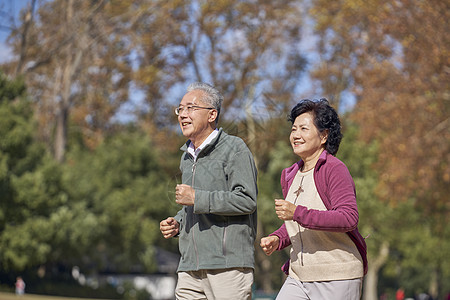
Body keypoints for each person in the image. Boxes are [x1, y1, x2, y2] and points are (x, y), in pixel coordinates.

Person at [260, 99, 368, 300]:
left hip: (337, 276)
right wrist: (277, 238)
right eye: (293, 129)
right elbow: (296, 223)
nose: (296, 135)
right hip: (298, 277)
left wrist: (297, 213)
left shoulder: (334, 169)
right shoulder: (290, 174)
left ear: (324, 135)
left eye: (303, 128)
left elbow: (348, 218)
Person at [160, 82, 258, 299]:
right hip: (189, 266)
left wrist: (196, 197)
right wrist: (178, 222)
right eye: (180, 109)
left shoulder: (235, 148)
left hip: (227, 266)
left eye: (191, 108)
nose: (183, 115)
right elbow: (193, 206)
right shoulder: (186, 156)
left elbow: (247, 200)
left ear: (212, 114)